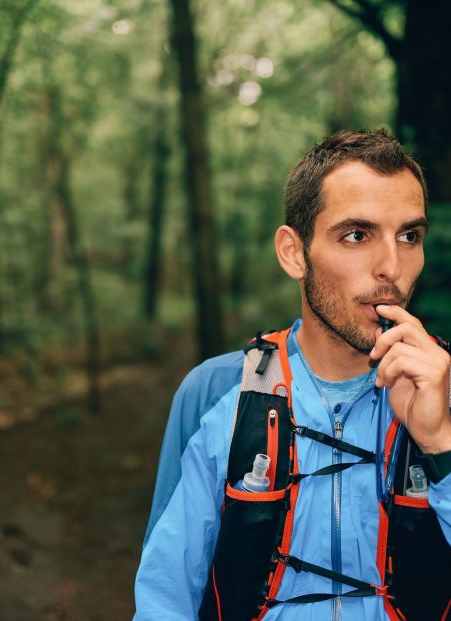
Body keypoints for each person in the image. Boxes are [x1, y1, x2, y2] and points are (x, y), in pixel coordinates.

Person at [133, 129, 451, 621]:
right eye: (356, 235)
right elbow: (165, 600)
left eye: (409, 236)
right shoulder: (219, 393)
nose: (392, 267)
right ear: (294, 252)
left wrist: (440, 444)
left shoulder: (445, 387)